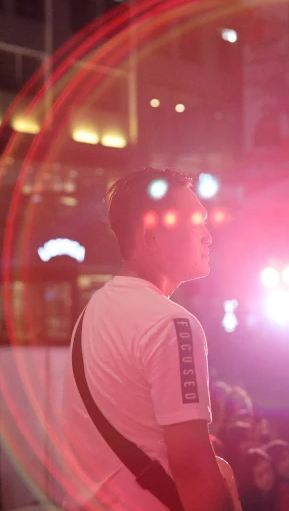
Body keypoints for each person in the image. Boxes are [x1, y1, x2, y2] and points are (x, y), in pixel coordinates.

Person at [60, 168, 232, 510]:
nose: (208, 237)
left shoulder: (92, 312)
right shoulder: (172, 324)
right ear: (152, 238)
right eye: (196, 223)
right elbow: (192, 466)